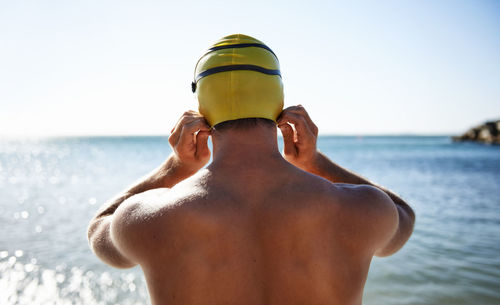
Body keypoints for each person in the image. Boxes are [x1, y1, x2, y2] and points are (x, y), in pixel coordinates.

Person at [88, 34, 415, 305]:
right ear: (278, 102)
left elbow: (99, 229)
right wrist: (315, 163)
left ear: (202, 110)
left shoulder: (155, 217)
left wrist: (176, 168)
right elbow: (403, 216)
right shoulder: (360, 208)